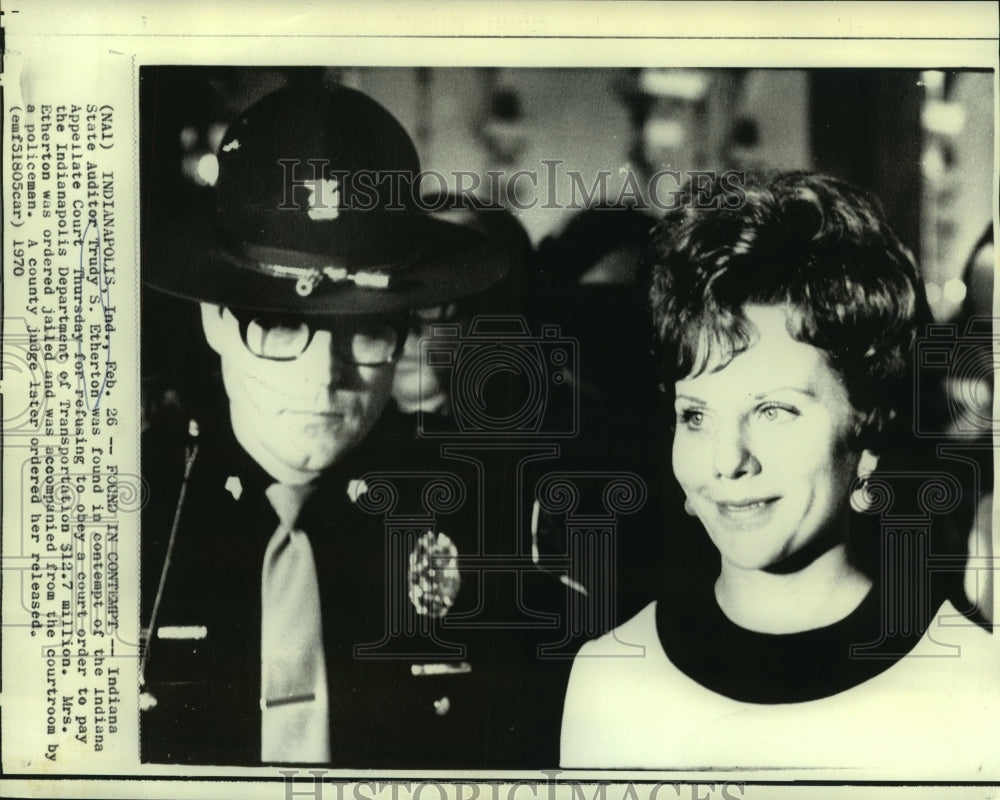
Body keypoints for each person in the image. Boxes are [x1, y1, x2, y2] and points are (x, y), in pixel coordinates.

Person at [140, 82, 562, 767]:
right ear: (214, 319)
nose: (325, 375)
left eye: (365, 329)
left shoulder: (483, 529)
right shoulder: (128, 519)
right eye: (279, 325)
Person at [559, 172, 999, 773]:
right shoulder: (610, 681)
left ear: (868, 432)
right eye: (696, 416)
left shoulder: (972, 690)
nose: (726, 459)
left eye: (773, 410)